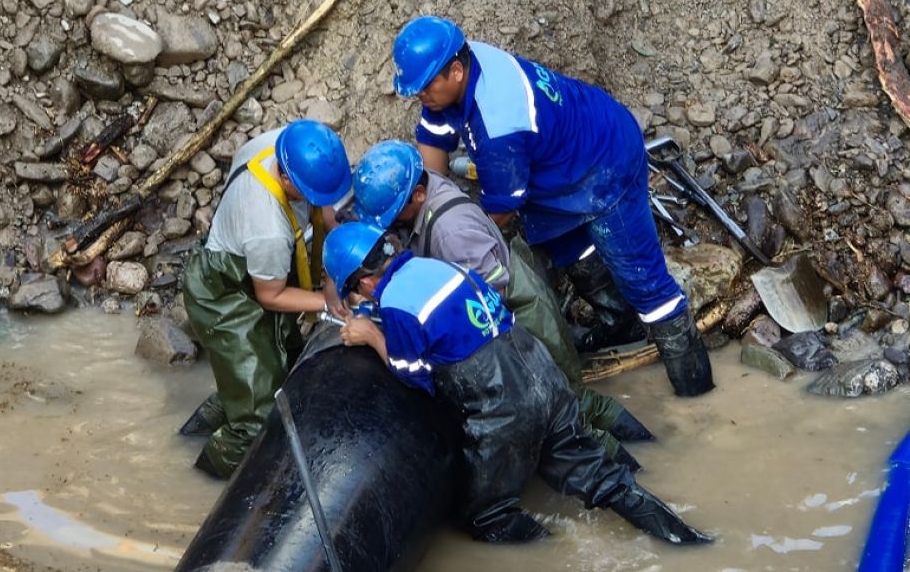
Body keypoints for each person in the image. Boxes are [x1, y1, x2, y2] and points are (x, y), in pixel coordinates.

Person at [322, 221, 711, 544]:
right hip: (544, 378)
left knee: (479, 515)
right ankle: (691, 541)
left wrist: (372, 337)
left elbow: (415, 376)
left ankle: (555, 552)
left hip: (504, 407)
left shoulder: (395, 303)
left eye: (353, 292)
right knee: (600, 478)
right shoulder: (440, 267)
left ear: (365, 284)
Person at [390, 15, 713, 397]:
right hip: (559, 163)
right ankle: (620, 324)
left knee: (644, 281)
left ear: (455, 72)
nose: (420, 97)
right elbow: (433, 143)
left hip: (606, 164)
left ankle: (695, 388)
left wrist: (458, 244)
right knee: (570, 247)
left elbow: (500, 214)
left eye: (424, 88)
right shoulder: (456, 67)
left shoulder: (497, 126)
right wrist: (433, 215)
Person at [350, 140, 653, 468]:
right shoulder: (428, 187)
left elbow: (486, 298)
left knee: (566, 418)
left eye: (395, 214)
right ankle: (655, 453)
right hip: (522, 294)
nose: (392, 225)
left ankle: (634, 475)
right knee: (578, 399)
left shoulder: (451, 233)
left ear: (418, 195)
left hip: (521, 319)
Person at [182, 119, 352, 479]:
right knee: (255, 421)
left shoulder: (277, 144)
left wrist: (336, 235)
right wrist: (327, 302)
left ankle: (215, 414)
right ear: (289, 180)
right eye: (313, 195)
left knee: (275, 370)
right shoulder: (268, 230)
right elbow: (270, 295)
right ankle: (202, 480)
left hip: (253, 267)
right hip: (224, 293)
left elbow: (322, 211)